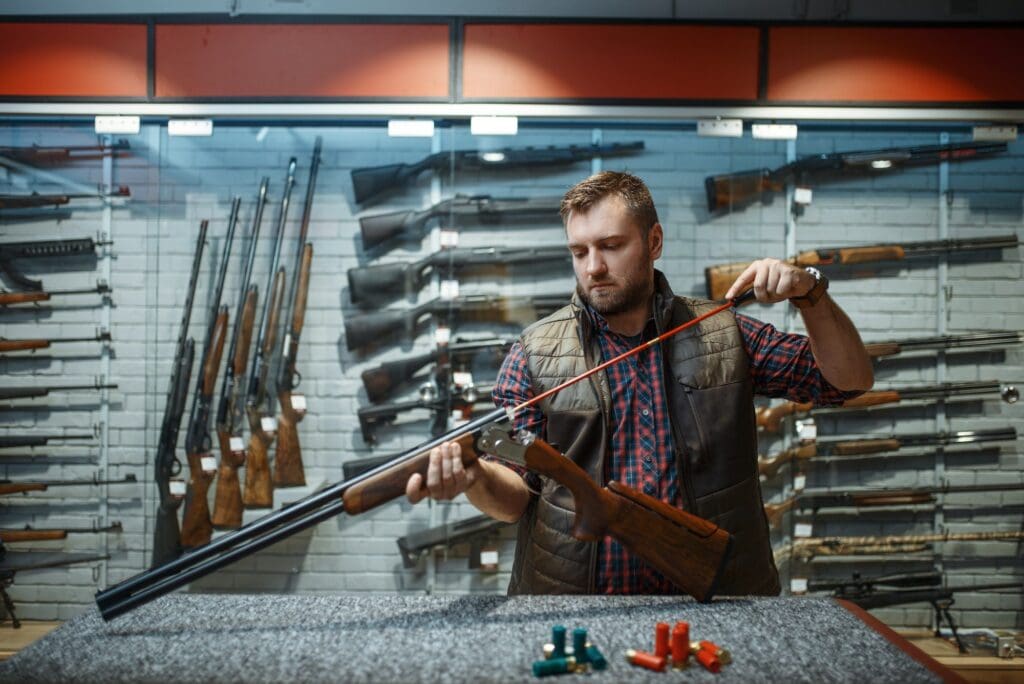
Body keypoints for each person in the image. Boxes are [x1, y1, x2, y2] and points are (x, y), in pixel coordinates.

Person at [405, 171, 873, 595]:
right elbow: (513, 499)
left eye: (610, 245)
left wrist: (810, 295)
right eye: (579, 251)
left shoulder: (723, 332)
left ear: (653, 241)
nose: (593, 268)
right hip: (574, 605)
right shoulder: (533, 351)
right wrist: (474, 478)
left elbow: (848, 382)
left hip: (719, 600)